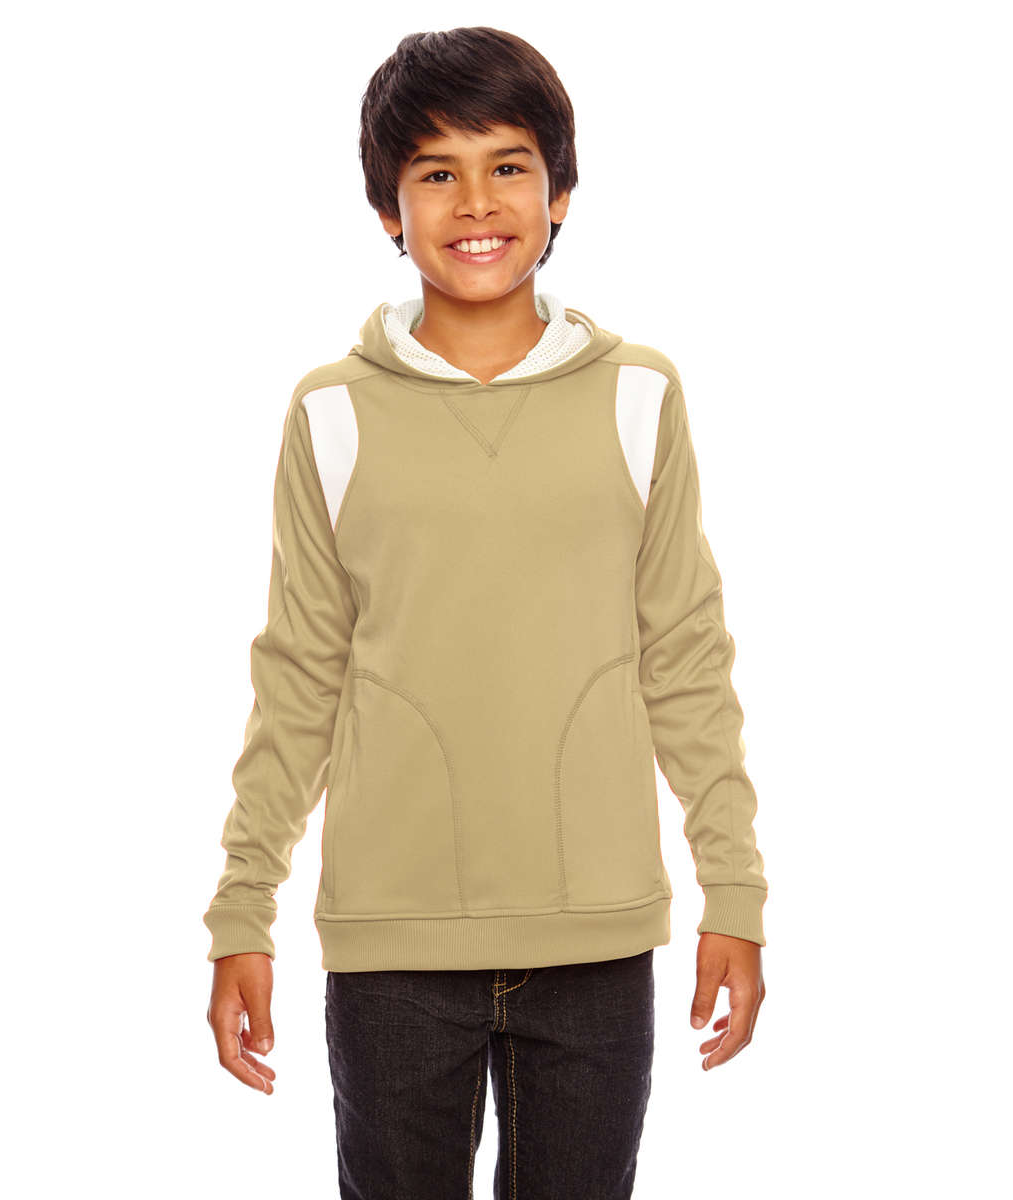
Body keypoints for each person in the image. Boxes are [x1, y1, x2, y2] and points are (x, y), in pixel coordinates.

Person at [203, 25, 768, 1199]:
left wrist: (736, 891)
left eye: (508, 165)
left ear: (560, 192)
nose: (476, 202)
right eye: (436, 172)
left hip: (598, 939)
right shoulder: (330, 415)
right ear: (387, 208)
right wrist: (243, 909)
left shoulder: (639, 396)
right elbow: (300, 673)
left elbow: (685, 658)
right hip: (391, 949)